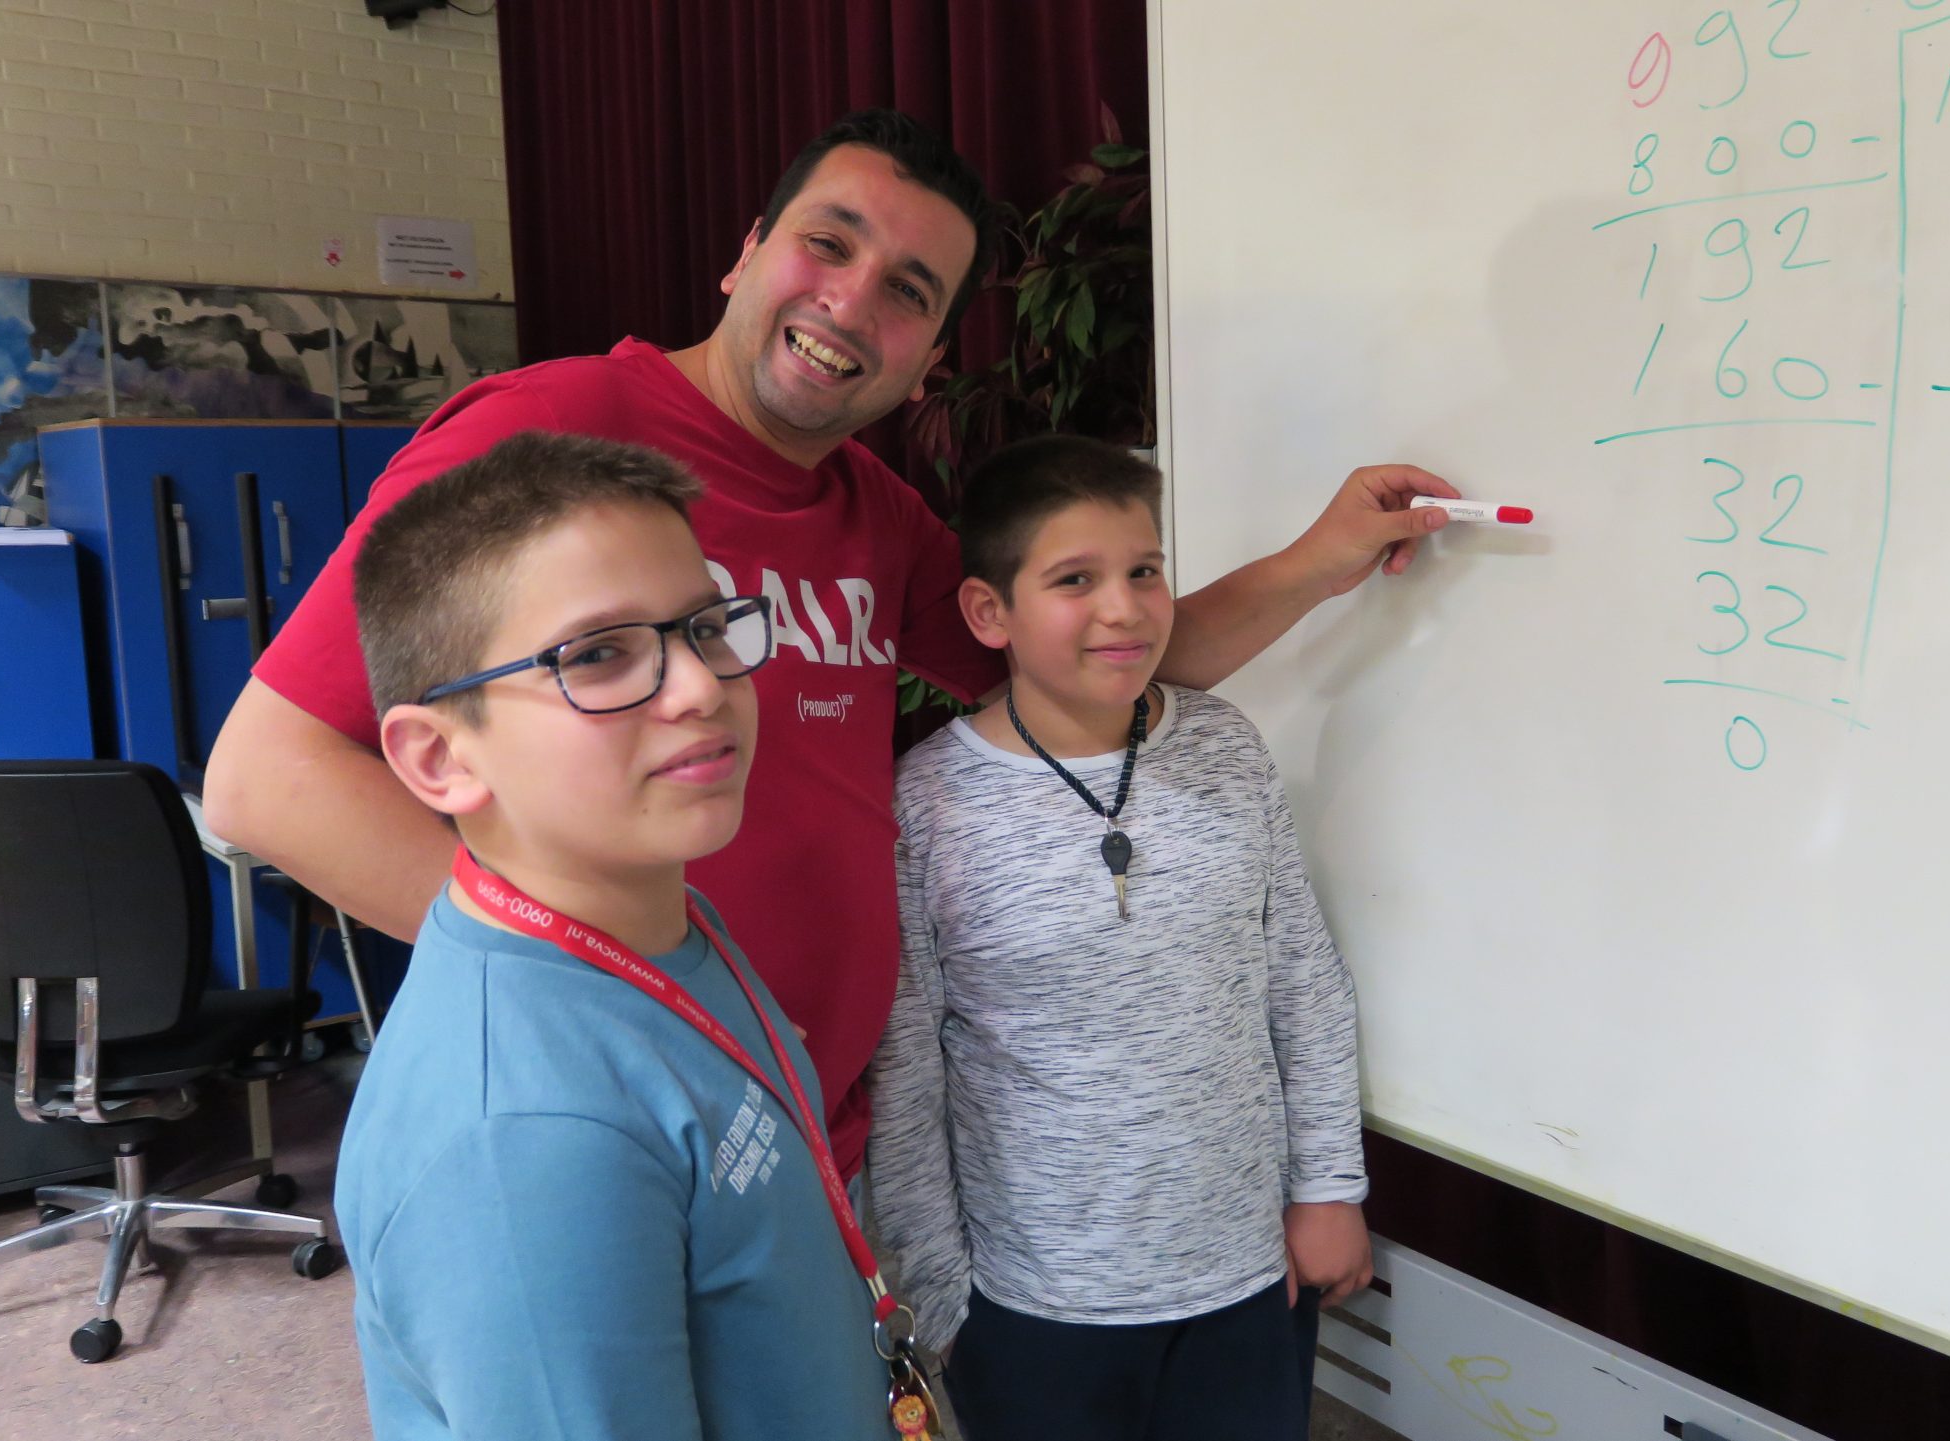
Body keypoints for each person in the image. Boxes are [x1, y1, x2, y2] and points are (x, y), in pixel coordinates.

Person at [205, 107, 1457, 1181]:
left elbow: (1108, 665)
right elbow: (269, 778)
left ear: (926, 362)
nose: (852, 300)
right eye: (827, 243)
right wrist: (615, 991)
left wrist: (1317, 557)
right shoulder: (553, 427)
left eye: (909, 292)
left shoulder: (875, 513)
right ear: (746, 254)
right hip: (627, 1111)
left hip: (817, 1125)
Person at [335, 431, 902, 1438]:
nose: (700, 686)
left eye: (704, 625)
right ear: (437, 758)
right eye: (598, 655)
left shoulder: (658, 921)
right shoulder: (522, 1136)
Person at [868, 436, 1373, 1440]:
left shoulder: (1224, 744)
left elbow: (1301, 980)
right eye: (1075, 579)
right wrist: (943, 1304)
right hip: (1033, 1307)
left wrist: (1329, 1187)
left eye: (1145, 569)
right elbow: (908, 1065)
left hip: (1243, 1276)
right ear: (987, 612)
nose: (1125, 606)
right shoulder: (928, 800)